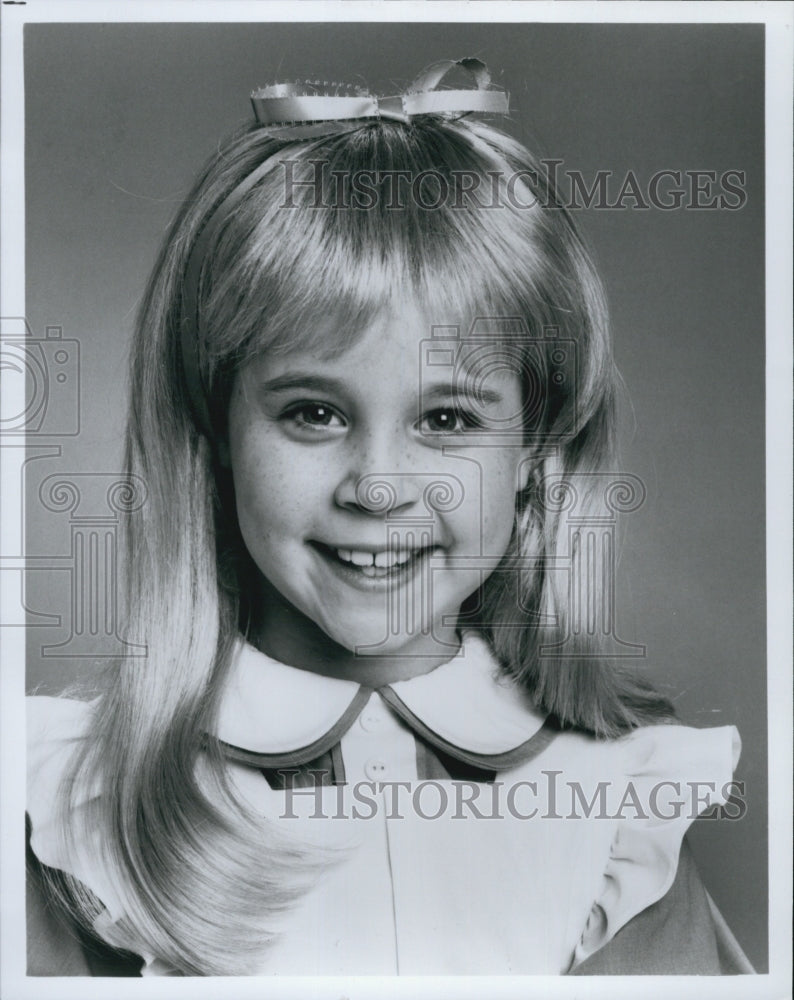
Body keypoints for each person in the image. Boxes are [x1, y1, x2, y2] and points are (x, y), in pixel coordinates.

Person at [26, 59, 753, 978]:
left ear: (535, 449)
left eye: (446, 420)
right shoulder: (77, 805)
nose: (377, 487)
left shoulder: (611, 802)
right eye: (313, 413)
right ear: (214, 428)